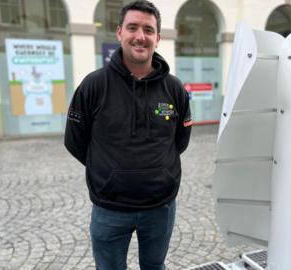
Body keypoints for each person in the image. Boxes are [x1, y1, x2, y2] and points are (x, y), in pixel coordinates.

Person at [64, 1, 192, 269]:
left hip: (161, 207)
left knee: (155, 267)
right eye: (132, 27)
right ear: (119, 32)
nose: (140, 36)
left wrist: (158, 172)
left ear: (158, 37)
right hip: (109, 209)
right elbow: (75, 141)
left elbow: (180, 141)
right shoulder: (94, 85)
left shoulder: (175, 89)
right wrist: (109, 171)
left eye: (148, 29)